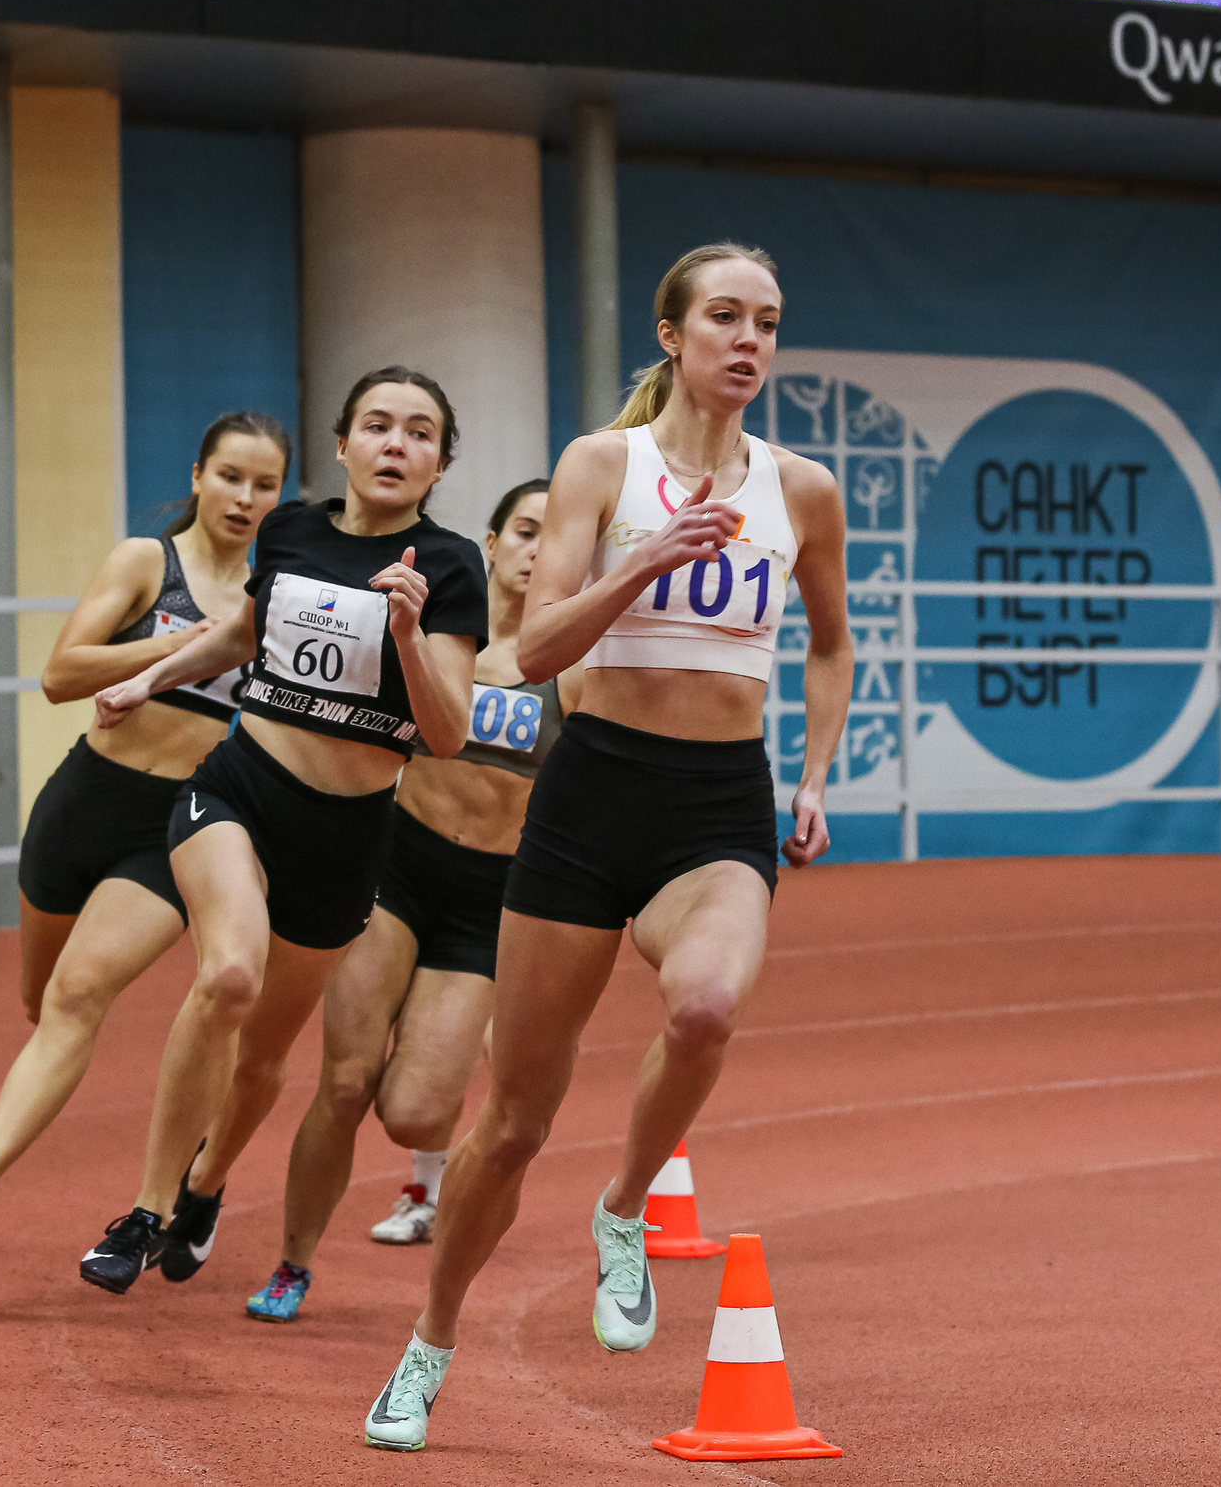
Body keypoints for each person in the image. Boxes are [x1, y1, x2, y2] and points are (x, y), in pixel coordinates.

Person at [364, 244, 854, 1451]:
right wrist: (642, 562)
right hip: (590, 800)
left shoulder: (803, 490)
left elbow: (832, 643)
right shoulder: (602, 465)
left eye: (768, 323)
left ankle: (625, 1206)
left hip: (717, 802)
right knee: (514, 1121)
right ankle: (429, 1341)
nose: (748, 341)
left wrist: (813, 776)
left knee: (703, 1010)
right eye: (725, 318)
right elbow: (528, 656)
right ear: (672, 334)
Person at [74, 367, 489, 1300]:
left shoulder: (452, 565)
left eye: (419, 433)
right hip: (240, 788)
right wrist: (148, 678)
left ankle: (205, 1186)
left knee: (263, 1054)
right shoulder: (294, 528)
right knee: (227, 973)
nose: (396, 443)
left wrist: (412, 632)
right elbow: (241, 636)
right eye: (377, 425)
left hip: (345, 836)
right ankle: (143, 1209)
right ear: (342, 444)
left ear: (440, 462)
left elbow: (450, 732)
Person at [0, 411, 290, 1237]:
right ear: (198, 476)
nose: (244, 497)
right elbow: (61, 673)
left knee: (79, 992)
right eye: (230, 476)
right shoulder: (144, 562)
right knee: (39, 999)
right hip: (84, 802)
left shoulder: (271, 597)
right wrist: (189, 645)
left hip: (171, 828)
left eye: (264, 485)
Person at [245, 477, 578, 1324]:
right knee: (347, 1081)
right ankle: (292, 1263)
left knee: (416, 1108)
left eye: (556, 533)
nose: (540, 548)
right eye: (525, 530)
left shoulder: (570, 665)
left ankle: (427, 1172)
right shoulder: (440, 628)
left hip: (489, 900)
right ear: (493, 544)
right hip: (397, 869)